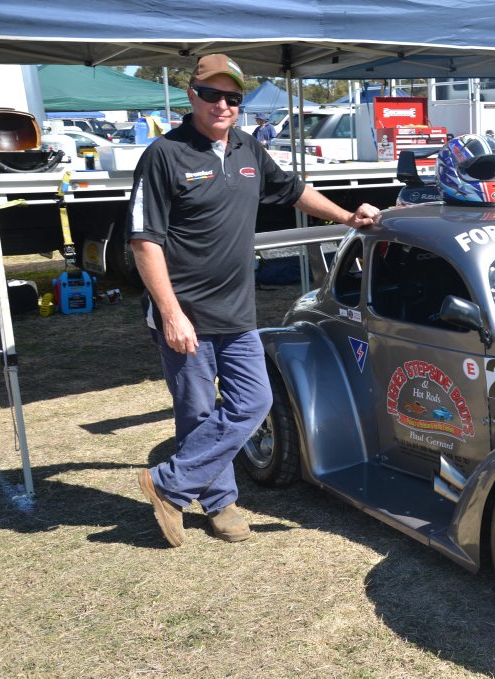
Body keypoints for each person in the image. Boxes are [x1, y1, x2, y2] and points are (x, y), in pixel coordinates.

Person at [129, 53, 380, 547]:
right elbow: (143, 241)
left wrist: (347, 216)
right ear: (191, 95)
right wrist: (170, 313)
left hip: (236, 311)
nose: (222, 105)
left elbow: (294, 191)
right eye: (210, 94)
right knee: (197, 413)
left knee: (254, 400)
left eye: (232, 97)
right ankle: (221, 503)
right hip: (186, 315)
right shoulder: (164, 154)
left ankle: (166, 483)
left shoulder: (248, 148)